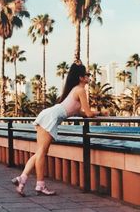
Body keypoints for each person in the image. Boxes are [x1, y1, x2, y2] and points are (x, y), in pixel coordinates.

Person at [11, 61, 100, 196]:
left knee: (39, 153)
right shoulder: (80, 90)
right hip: (51, 118)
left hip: (48, 115)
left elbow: (79, 112)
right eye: (87, 74)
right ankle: (40, 185)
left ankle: (21, 179)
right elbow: (88, 113)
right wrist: (100, 113)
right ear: (81, 78)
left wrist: (96, 113)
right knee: (41, 153)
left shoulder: (74, 90)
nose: (89, 77)